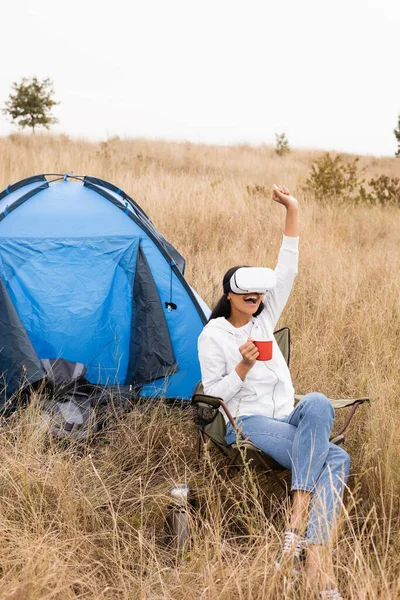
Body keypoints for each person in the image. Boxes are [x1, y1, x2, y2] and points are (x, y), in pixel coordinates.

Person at [198, 185, 349, 600]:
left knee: (317, 401)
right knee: (337, 457)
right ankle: (317, 562)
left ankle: (296, 523)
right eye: (248, 294)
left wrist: (293, 209)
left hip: (286, 417)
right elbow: (215, 395)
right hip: (244, 421)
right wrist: (243, 366)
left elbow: (289, 268)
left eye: (260, 294)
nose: (256, 299)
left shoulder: (264, 318)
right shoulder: (214, 335)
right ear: (229, 294)